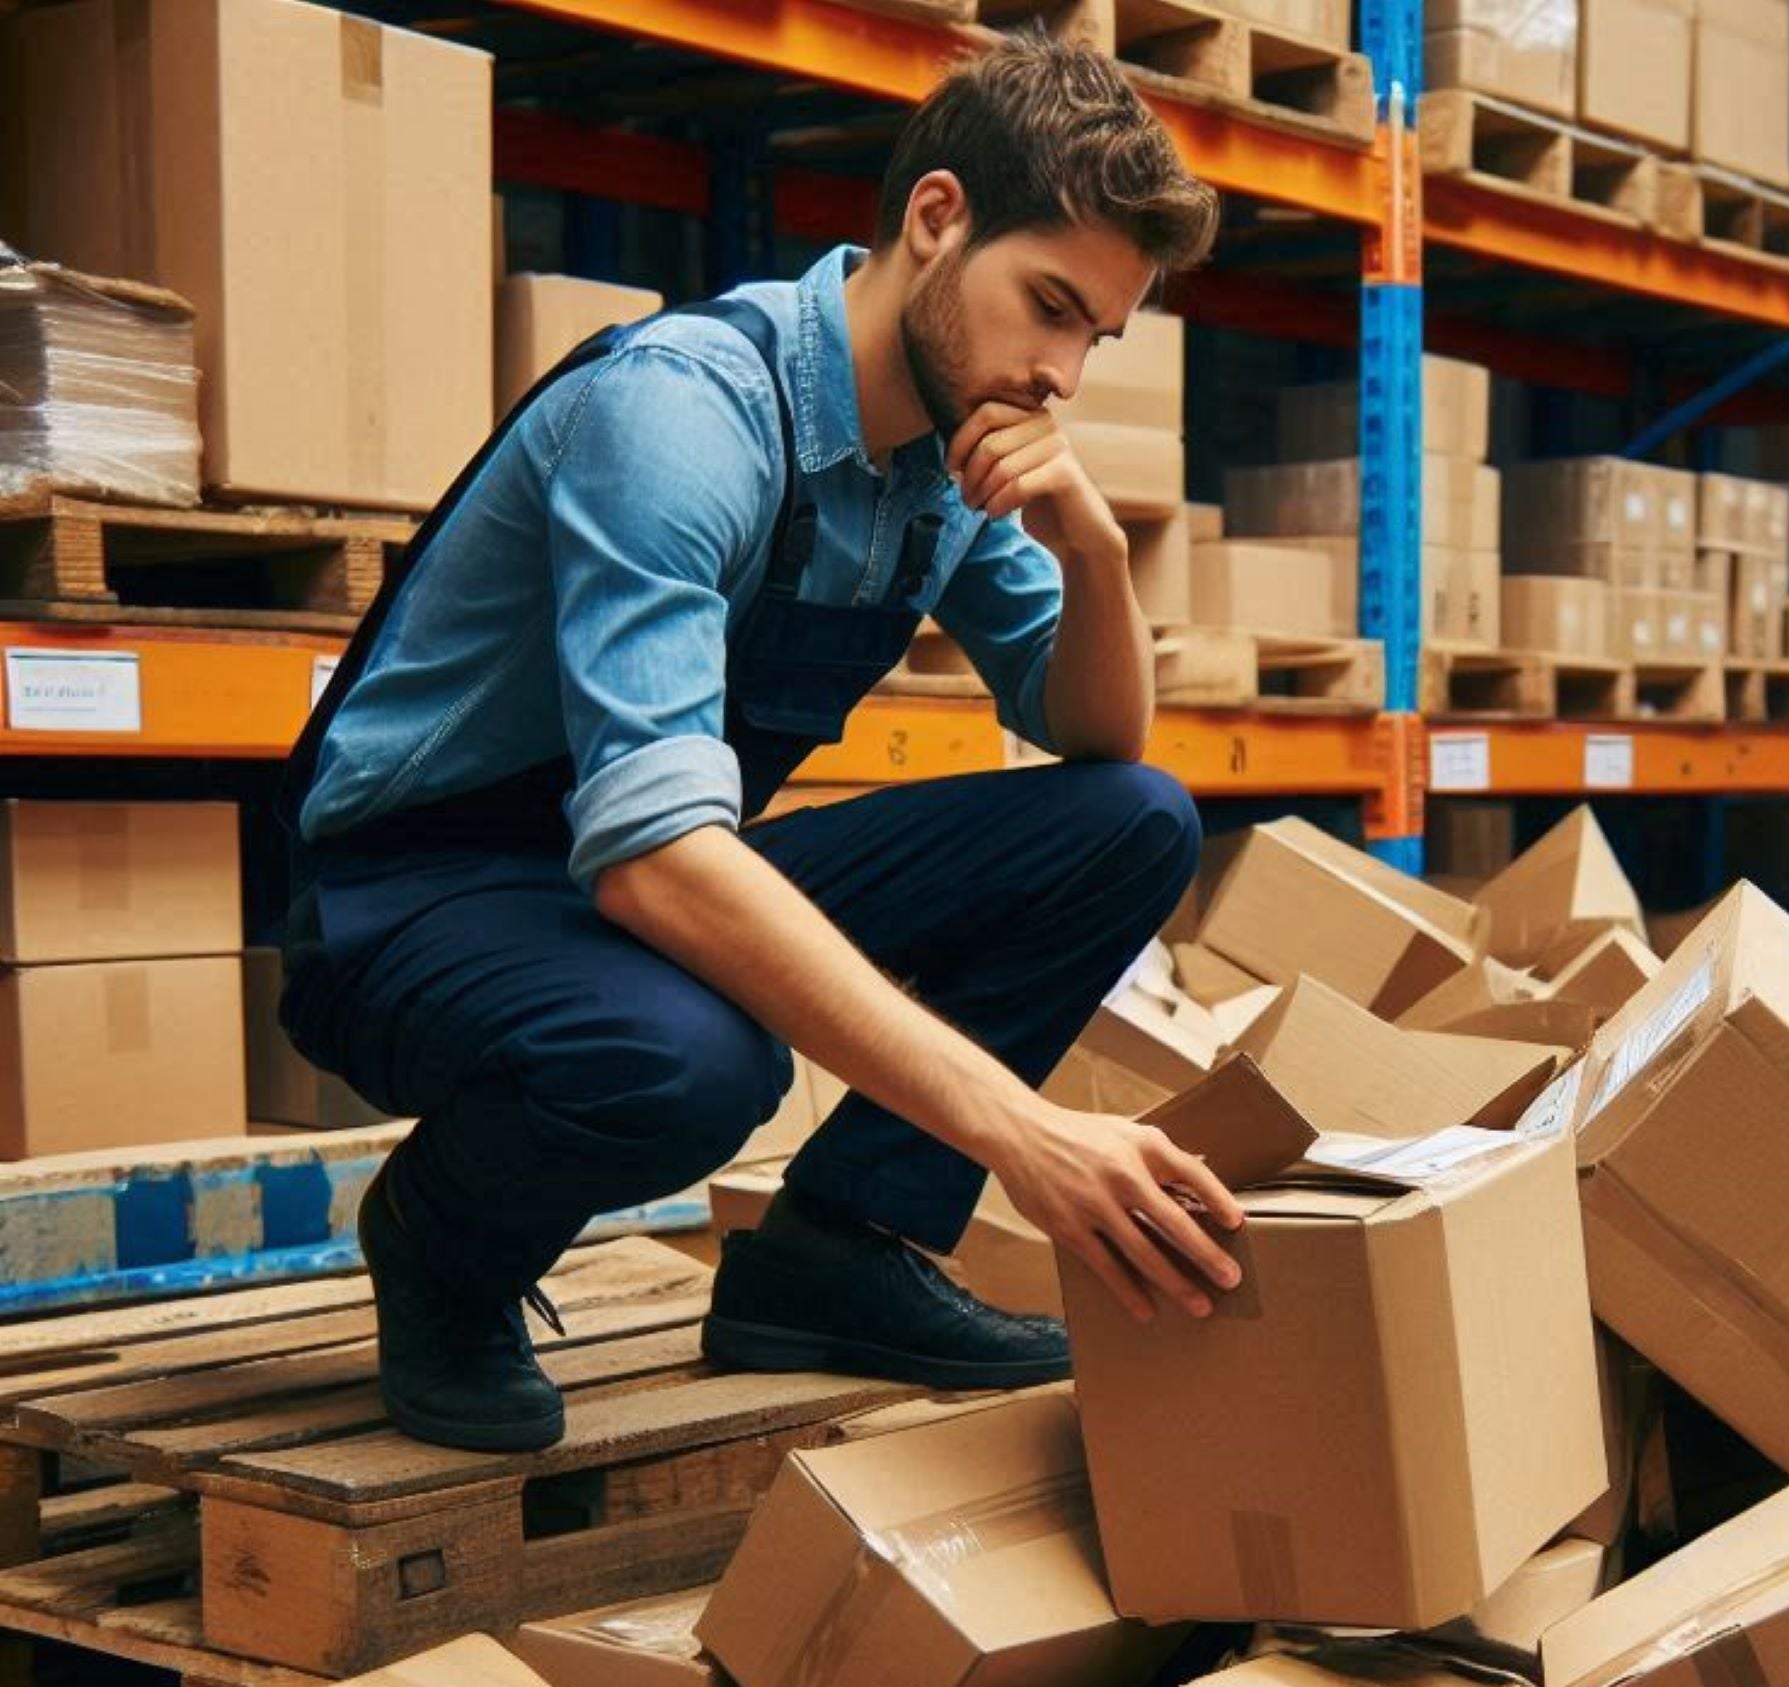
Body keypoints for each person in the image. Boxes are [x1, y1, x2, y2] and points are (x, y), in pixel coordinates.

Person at [275, 34, 1248, 1455]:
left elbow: (1092, 733)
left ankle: (837, 1250)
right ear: (934, 220)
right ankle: (440, 1245)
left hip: (615, 877)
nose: (1060, 376)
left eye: (1094, 335)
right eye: (1048, 306)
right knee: (693, 1061)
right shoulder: (685, 418)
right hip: (409, 902)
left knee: (1134, 821)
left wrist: (1093, 553)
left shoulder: (950, 460)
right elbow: (658, 866)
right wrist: (1021, 1137)